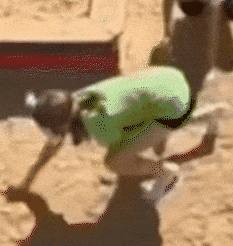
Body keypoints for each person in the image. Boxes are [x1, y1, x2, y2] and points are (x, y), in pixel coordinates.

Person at [20, 67, 224, 205]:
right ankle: (209, 115)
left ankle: (166, 174)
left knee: (115, 161)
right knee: (152, 121)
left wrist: (157, 140)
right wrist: (29, 178)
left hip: (171, 106)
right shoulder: (73, 99)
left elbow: (130, 134)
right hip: (168, 78)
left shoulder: (100, 127)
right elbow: (54, 141)